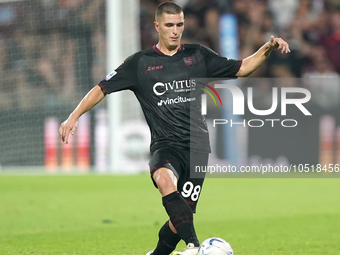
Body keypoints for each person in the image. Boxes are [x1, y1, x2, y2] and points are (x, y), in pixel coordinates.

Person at [59, 2, 290, 254]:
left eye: (179, 25)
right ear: (157, 26)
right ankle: (194, 246)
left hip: (198, 148)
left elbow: (243, 67)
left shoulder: (198, 56)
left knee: (180, 218)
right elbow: (101, 88)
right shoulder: (140, 63)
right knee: (164, 180)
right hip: (164, 145)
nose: (175, 30)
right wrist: (74, 116)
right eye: (169, 25)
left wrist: (267, 48)